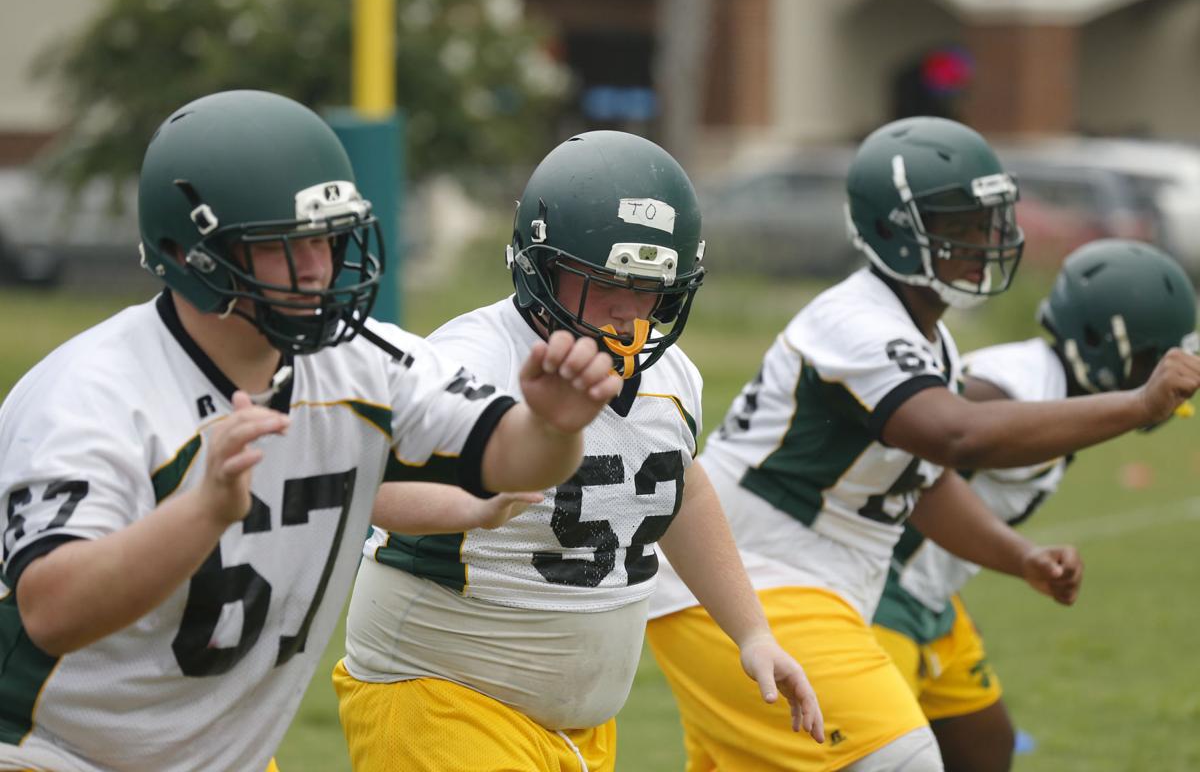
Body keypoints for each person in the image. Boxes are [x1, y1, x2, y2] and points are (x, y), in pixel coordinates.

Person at [0, 89, 624, 772]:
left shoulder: (362, 363)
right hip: (50, 751)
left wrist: (557, 426)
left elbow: (514, 458)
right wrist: (200, 513)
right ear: (190, 251)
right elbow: (51, 609)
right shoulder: (91, 394)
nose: (321, 268)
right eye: (286, 246)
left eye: (329, 238)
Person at [645, 116, 1200, 771]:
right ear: (893, 233)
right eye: (960, 225)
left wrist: (1019, 558)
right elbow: (957, 435)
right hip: (754, 585)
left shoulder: (925, 336)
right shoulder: (857, 322)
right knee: (905, 761)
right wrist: (1138, 403)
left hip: (788, 583)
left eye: (989, 220)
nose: (985, 240)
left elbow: (922, 485)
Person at [333, 130, 824, 772]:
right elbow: (363, 488)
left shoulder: (675, 379)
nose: (628, 312)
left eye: (651, 288)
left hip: (579, 731)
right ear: (542, 268)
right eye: (603, 283)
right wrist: (470, 506)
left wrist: (752, 631)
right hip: (441, 693)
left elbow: (680, 490)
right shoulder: (471, 361)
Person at [871, 238, 1198, 772]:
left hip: (928, 599)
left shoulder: (1052, 385)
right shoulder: (1014, 385)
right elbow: (928, 432)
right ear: (1101, 343)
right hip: (874, 591)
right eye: (1148, 359)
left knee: (985, 747)